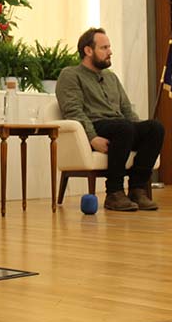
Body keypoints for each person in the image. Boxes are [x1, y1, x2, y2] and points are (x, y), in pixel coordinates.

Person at [56, 27, 164, 211]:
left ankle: (137, 189)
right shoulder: (70, 75)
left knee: (155, 128)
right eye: (104, 48)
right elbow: (73, 111)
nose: (110, 52)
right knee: (124, 127)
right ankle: (114, 193)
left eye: (109, 47)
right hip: (96, 126)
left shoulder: (111, 77)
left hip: (121, 128)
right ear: (88, 51)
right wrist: (91, 137)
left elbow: (127, 110)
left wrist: (141, 132)